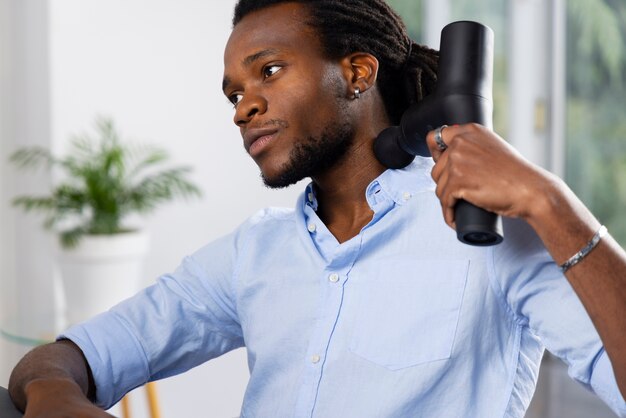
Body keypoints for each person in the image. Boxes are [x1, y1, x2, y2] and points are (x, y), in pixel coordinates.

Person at [7, 1, 626, 417]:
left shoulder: (486, 231)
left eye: (268, 72)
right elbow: (62, 357)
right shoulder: (254, 253)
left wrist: (550, 203)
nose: (242, 108)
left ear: (358, 72)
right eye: (234, 93)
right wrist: (55, 391)